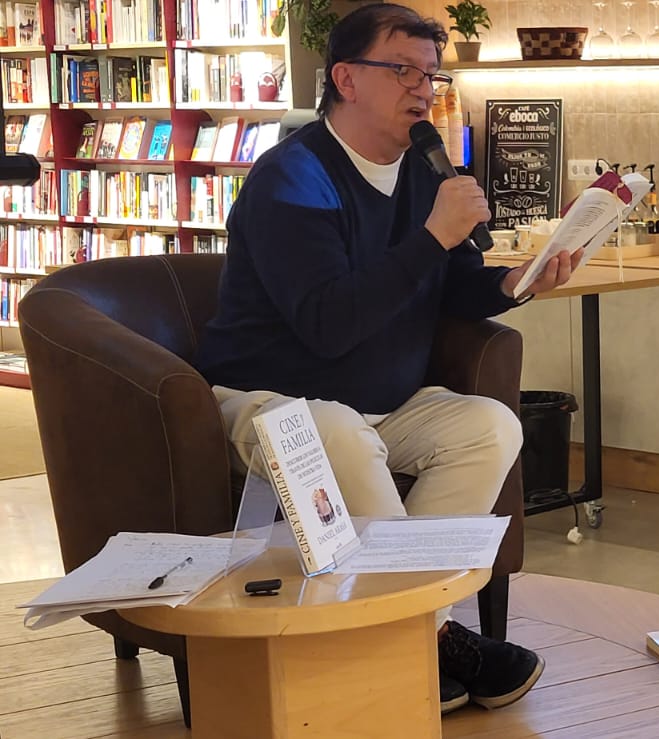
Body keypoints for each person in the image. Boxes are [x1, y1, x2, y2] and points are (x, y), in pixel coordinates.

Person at [192, 4, 581, 715]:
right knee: (334, 434)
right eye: (401, 70)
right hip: (269, 396)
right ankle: (432, 638)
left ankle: (399, 635)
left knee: (491, 425)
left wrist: (516, 281)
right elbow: (327, 323)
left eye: (430, 74)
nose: (421, 89)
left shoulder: (422, 173)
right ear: (344, 77)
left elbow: (453, 284)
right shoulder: (291, 178)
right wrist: (433, 236)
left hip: (384, 398)